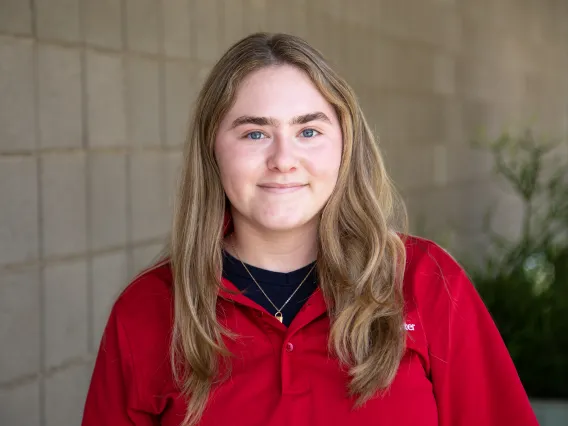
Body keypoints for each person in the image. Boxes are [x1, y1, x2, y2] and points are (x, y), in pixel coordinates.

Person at [82, 33, 538, 426]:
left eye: (309, 131)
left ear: (344, 144)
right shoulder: (148, 309)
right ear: (212, 150)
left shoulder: (422, 280)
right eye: (254, 133)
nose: (283, 159)